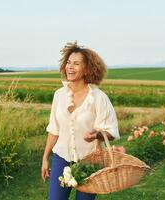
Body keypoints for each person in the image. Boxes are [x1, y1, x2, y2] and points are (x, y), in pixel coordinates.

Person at [41, 42, 121, 200]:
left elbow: (111, 132)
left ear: (87, 69)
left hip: (89, 161)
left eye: (76, 63)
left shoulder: (99, 98)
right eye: (68, 62)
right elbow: (54, 130)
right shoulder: (59, 95)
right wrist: (45, 158)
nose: (70, 67)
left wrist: (97, 134)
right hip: (61, 158)